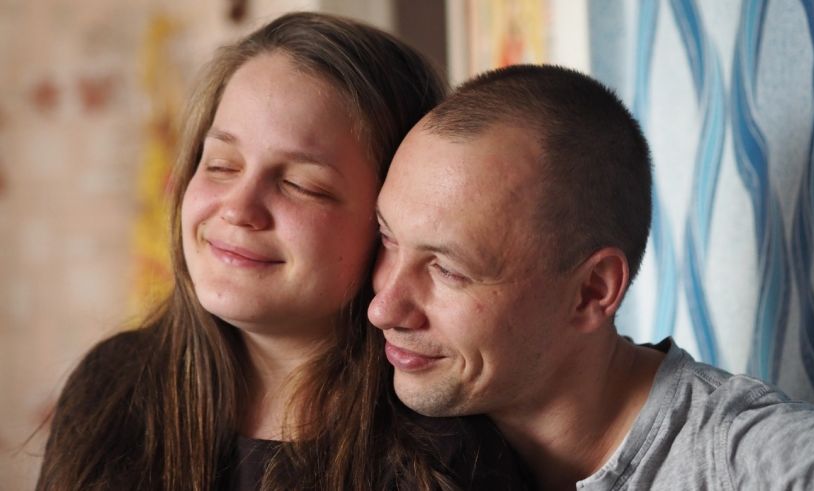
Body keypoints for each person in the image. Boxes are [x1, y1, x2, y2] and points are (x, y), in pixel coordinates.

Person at [37, 12, 527, 491]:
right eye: (222, 165)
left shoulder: (452, 452)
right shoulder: (112, 386)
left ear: (391, 225)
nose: (239, 209)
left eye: (300, 184)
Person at [368, 64, 814, 490]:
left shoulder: (747, 462)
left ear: (592, 291)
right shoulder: (403, 436)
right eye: (387, 238)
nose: (383, 308)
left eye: (448, 269)